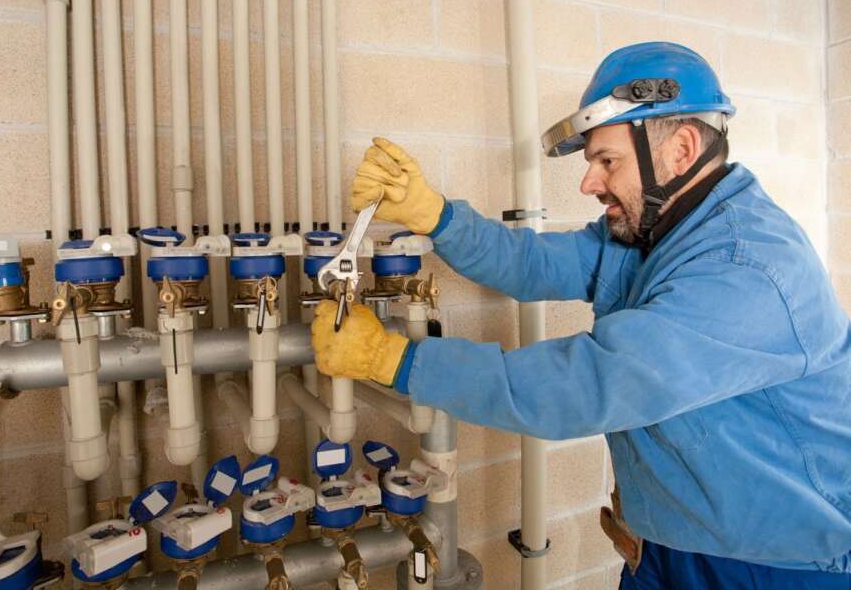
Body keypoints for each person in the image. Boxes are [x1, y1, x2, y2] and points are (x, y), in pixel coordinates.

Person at [310, 42, 851, 589]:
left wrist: (396, 360)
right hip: (668, 542)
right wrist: (438, 216)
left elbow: (587, 386)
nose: (588, 183)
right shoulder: (654, 234)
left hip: (773, 565)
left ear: (681, 149)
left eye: (606, 161)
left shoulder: (744, 267)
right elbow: (535, 262)